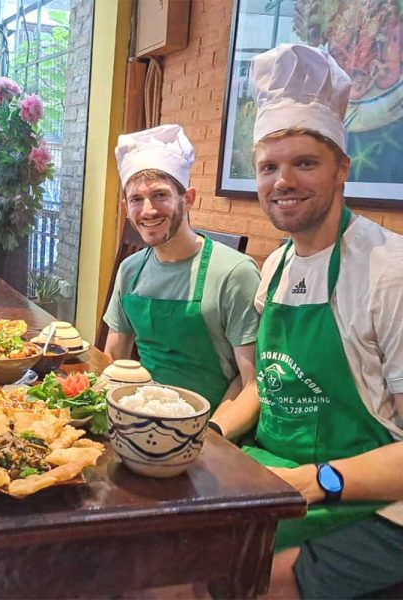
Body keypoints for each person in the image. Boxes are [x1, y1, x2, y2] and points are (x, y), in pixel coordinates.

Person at [225, 44, 403, 598]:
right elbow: (267, 384)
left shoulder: (387, 273)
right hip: (275, 469)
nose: (283, 182)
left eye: (305, 163)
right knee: (159, 555)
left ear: (342, 169)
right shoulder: (276, 264)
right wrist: (207, 433)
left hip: (370, 496)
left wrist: (320, 480)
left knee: (240, 581)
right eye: (269, 168)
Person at [103, 124, 261, 414]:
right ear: (126, 207)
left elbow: (251, 382)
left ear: (188, 199)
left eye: (160, 195)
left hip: (212, 423)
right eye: (136, 199)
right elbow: (114, 356)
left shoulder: (235, 272)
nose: (148, 210)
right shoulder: (130, 270)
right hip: (138, 415)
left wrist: (213, 433)